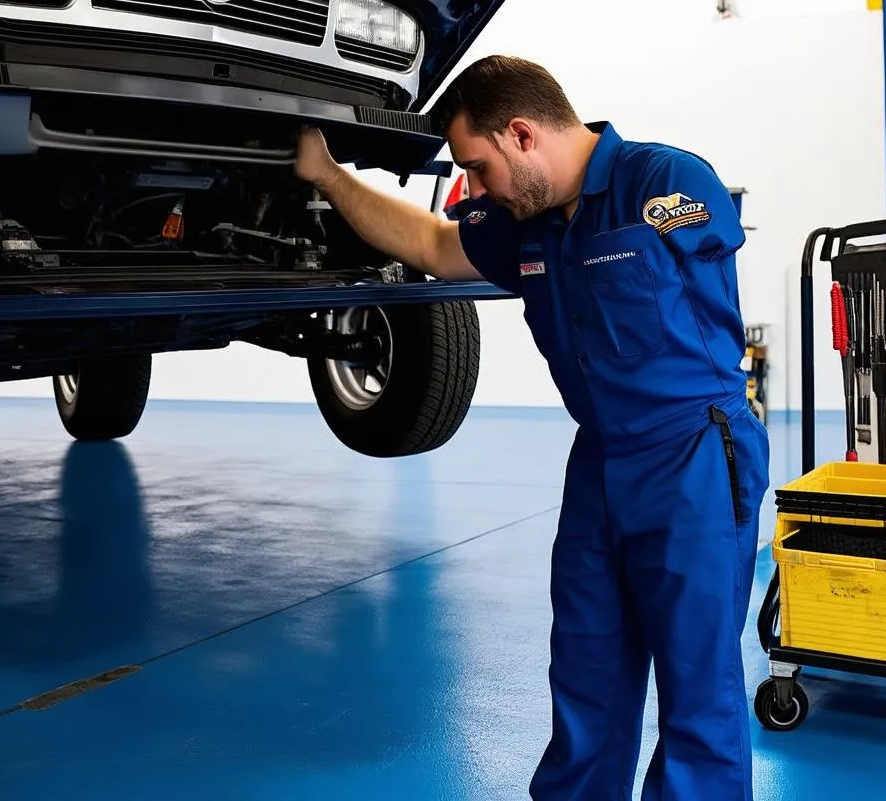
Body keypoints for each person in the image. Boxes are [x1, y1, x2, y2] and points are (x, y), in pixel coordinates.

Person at [294, 55, 770, 801]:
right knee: (585, 671)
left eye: (478, 169)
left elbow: (704, 241)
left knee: (697, 689)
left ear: (521, 133)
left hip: (693, 456)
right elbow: (427, 244)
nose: (474, 191)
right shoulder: (523, 224)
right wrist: (326, 174)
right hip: (599, 464)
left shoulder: (667, 182)